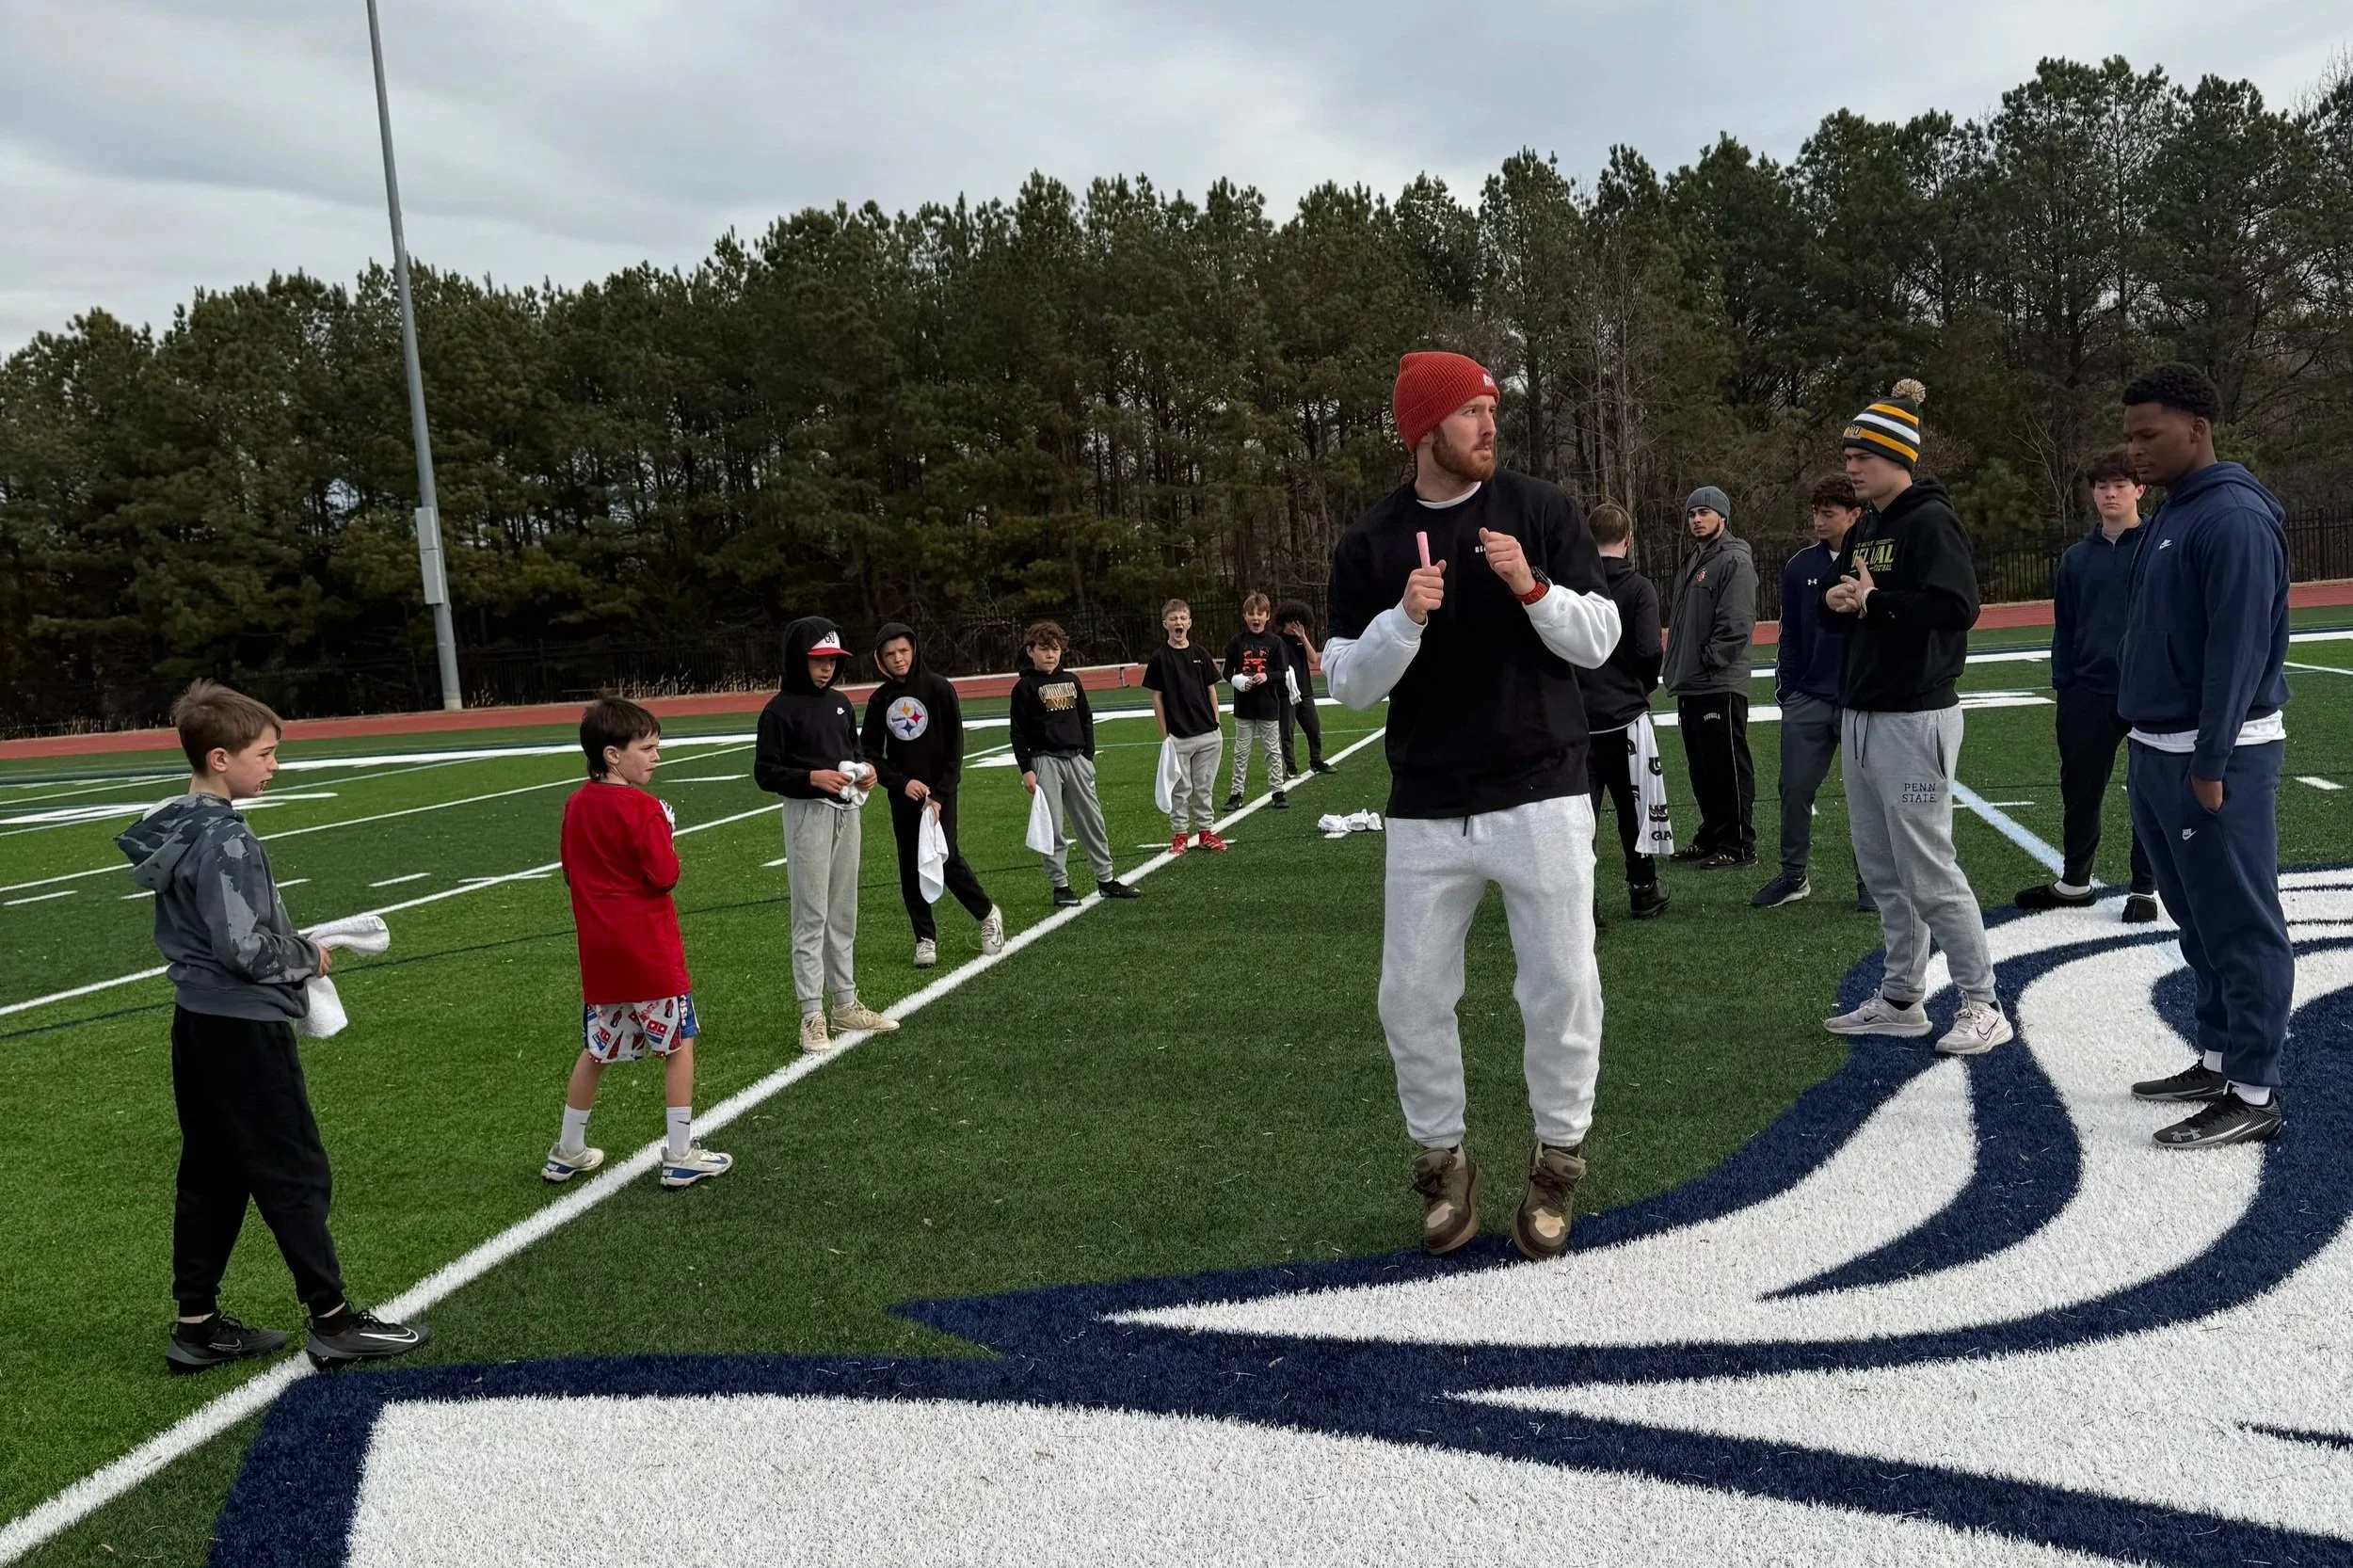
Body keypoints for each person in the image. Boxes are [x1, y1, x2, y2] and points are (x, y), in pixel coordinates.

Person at [1323, 349, 1621, 1263]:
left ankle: (1557, 1160)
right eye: (1469, 412)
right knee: (1409, 994)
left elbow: (1601, 639)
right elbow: (1347, 687)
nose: (1489, 425)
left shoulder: (1542, 511)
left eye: (1493, 408)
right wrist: (1401, 621)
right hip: (1426, 804)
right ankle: (1441, 1161)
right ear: (1423, 428)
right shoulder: (1370, 543)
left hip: (1542, 790)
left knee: (1561, 985)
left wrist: (1531, 587)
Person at [116, 680, 427, 1376]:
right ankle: (333, 1321)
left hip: (195, 1019)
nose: (274, 766)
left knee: (213, 1172)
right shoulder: (226, 838)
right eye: (266, 753)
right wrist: (306, 955)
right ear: (220, 758)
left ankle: (195, 1326)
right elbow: (243, 947)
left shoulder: (176, 822)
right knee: (292, 1170)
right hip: (243, 1024)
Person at [2115, 363, 2294, 1148]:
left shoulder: (2234, 518)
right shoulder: (2175, 511)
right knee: (2196, 920)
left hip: (2213, 754)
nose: (2134, 452)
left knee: (2241, 925)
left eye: (2148, 435)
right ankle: (2219, 1057)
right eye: (2127, 436)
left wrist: (2212, 762)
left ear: (2198, 428)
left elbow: (2239, 652)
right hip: (2158, 747)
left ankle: (2253, 1092)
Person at [1818, 380, 2012, 1056]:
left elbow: (1958, 607)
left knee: (1929, 872)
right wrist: (1841, 600)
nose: (1850, 467)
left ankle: (1983, 1002)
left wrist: (1876, 604)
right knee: (1882, 872)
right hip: (1865, 713)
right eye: (1848, 455)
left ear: (1897, 457)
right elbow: (1841, 602)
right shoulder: (1867, 525)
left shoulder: (1930, 521)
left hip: (1914, 717)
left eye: (1862, 455)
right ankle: (1902, 996)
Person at [545, 698, 733, 1190]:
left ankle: (567, 1149)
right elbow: (664, 874)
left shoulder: (576, 802)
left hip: (601, 954)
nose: (656, 757)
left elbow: (570, 873)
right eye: (646, 748)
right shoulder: (644, 808)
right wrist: (665, 833)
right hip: (650, 952)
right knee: (679, 1044)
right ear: (612, 754)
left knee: (596, 1050)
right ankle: (679, 1153)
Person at [2015, 450, 2160, 922]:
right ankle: (2075, 881)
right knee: (2080, 789)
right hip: (2087, 692)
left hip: (2147, 691)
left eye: (2121, 484)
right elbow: (2066, 625)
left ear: (2140, 489)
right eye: (2102, 486)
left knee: (2148, 789)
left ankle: (2145, 886)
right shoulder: (2077, 558)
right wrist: (2066, 684)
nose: (2110, 493)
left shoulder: (2160, 545)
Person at [754, 617, 901, 1052]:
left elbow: (852, 752)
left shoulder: (839, 703)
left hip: (845, 814)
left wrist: (866, 771)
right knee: (811, 915)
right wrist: (811, 778)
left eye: (833, 661)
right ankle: (811, 1014)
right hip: (807, 815)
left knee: (842, 910)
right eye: (819, 660)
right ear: (799, 659)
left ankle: (844, 1002)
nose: (827, 669)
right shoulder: (779, 710)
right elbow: (765, 772)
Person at [1754, 474, 1871, 911]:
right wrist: (1788, 690)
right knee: (1795, 789)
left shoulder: (1875, 558)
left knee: (1867, 797)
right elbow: (1790, 634)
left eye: (1829, 513)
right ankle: (1792, 875)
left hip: (1861, 700)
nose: (1818, 521)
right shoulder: (1800, 565)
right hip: (1809, 697)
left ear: (1854, 515)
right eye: (1815, 512)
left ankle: (1870, 883)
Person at [861, 623, 1008, 968]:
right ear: (880, 660)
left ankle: (987, 914)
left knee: (946, 856)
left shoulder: (939, 689)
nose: (898, 659)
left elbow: (954, 749)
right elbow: (869, 752)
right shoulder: (880, 699)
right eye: (890, 654)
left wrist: (941, 794)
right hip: (905, 796)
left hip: (940, 794)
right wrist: (900, 783)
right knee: (910, 864)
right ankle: (924, 937)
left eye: (904, 651)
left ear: (914, 650)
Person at [1574, 503, 1671, 920]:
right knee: (1636, 807)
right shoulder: (1638, 588)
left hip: (1579, 717)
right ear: (1628, 539)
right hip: (1626, 715)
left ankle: (1583, 901)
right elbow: (1650, 649)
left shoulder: (1573, 587)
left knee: (1580, 814)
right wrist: (1639, 686)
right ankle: (1643, 888)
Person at [1661, 485, 1758, 870]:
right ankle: (1714, 833)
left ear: (1722, 516)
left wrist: (1709, 660)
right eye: (1691, 514)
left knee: (1726, 764)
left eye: (1704, 512)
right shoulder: (1695, 559)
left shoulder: (1733, 560)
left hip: (1718, 683)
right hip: (1693, 682)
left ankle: (1738, 844)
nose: (1696, 520)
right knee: (1701, 767)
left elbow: (1736, 623)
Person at [1011, 620, 1141, 907]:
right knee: (1053, 826)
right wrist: (1027, 769)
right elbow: (1018, 731)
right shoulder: (1024, 687)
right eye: (1044, 649)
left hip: (1077, 759)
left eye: (1055, 649)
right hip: (1045, 761)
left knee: (1092, 821)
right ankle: (1060, 885)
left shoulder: (1072, 680)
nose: (1051, 655)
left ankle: (1106, 879)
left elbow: (1085, 717)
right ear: (1030, 651)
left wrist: (1088, 756)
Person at [1142, 599, 1229, 855]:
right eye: (1173, 619)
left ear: (1189, 622)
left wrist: (1216, 721)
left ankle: (1205, 832)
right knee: (1181, 789)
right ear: (1165, 624)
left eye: (1182, 618)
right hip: (1178, 736)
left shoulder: (1200, 654)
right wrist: (1164, 734)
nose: (1178, 623)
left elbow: (1211, 688)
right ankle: (1180, 834)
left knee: (1203, 786)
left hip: (1208, 734)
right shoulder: (1159, 658)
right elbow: (1157, 697)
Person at [1221, 593, 1292, 810]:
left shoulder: (1275, 642)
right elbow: (1226, 672)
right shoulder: (1237, 643)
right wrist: (1237, 680)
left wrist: (1266, 676)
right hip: (1244, 707)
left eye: (1260, 613)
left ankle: (1278, 791)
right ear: (1245, 616)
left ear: (1267, 616)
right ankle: (1236, 794)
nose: (1256, 617)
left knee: (1272, 750)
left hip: (1268, 705)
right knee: (1241, 752)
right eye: (1251, 613)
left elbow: (1283, 672)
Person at [1273, 599, 1334, 776]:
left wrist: (1303, 637)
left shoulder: (1300, 640)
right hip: (1286, 694)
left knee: (1314, 728)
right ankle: (1290, 766)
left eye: (1299, 621)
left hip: (1305, 692)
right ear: (1285, 620)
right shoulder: (1277, 641)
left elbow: (1314, 658)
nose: (1295, 625)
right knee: (1287, 731)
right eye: (1293, 621)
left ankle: (1316, 760)